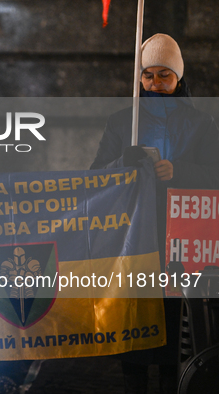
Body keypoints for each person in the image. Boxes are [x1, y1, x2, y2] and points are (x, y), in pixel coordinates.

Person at [90, 33, 219, 394]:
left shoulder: (202, 124)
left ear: (179, 77)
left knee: (172, 319)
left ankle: (171, 383)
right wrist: (121, 163)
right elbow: (95, 176)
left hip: (181, 239)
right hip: (133, 234)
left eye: (165, 75)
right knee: (133, 312)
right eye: (148, 75)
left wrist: (180, 172)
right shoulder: (121, 122)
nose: (155, 83)